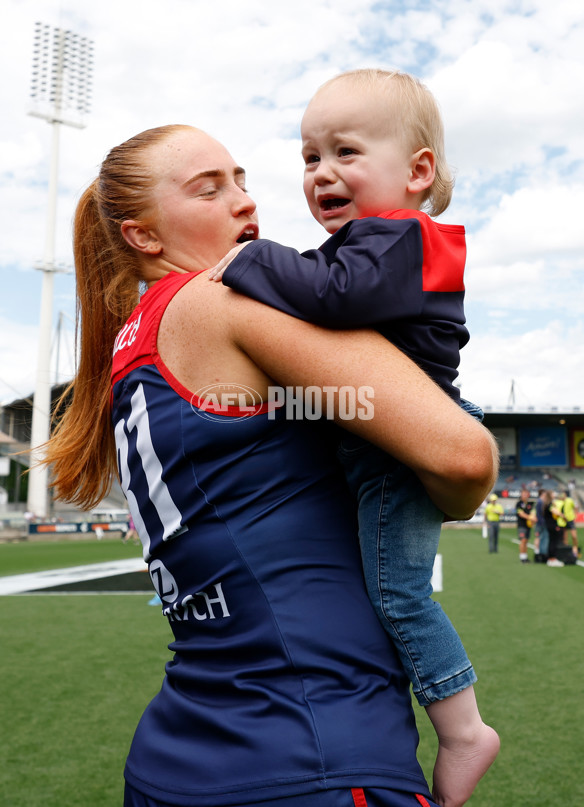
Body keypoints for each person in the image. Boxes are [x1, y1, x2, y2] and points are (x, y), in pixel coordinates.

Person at [41, 124, 498, 807]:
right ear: (143, 236)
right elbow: (463, 455)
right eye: (210, 188)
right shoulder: (219, 300)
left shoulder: (131, 351)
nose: (244, 202)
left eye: (243, 179)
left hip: (186, 746)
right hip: (309, 743)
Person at [209, 69, 499, 806]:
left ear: (418, 171)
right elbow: (311, 293)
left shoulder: (398, 239)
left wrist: (246, 258)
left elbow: (332, 300)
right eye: (310, 158)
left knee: (401, 596)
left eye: (345, 151)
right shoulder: (363, 244)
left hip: (395, 459)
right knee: (372, 591)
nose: (322, 173)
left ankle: (464, 728)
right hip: (366, 454)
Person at [540, 490, 566, 567]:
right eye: (553, 494)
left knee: (552, 541)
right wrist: (563, 516)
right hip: (552, 525)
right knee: (553, 542)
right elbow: (556, 512)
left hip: (549, 525)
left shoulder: (547, 504)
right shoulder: (549, 504)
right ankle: (552, 559)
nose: (554, 495)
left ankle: (551, 559)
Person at [516, 488, 536, 563]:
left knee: (526, 540)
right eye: (523, 494)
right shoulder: (519, 504)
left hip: (528, 525)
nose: (525, 495)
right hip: (522, 525)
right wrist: (531, 518)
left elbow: (533, 512)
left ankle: (525, 556)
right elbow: (521, 514)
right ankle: (522, 557)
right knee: (523, 540)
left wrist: (532, 518)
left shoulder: (530, 504)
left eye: (526, 494)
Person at [559, 490, 579, 557]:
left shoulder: (569, 500)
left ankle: (575, 549)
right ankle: (566, 550)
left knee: (574, 536)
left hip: (570, 520)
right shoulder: (561, 501)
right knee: (565, 537)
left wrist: (575, 515)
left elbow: (575, 507)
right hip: (563, 520)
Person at [534, 489, 549, 562]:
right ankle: (538, 554)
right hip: (540, 523)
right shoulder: (540, 502)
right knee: (539, 538)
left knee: (540, 538)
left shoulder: (539, 501)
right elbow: (540, 514)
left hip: (540, 523)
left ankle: (539, 553)